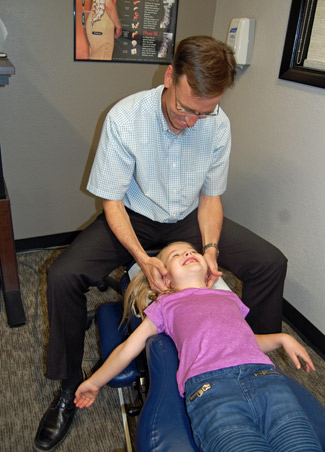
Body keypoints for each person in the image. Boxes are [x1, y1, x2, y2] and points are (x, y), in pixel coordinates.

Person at [34, 36, 287, 451]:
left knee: (270, 262)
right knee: (63, 276)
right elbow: (111, 201)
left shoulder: (217, 124)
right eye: (185, 108)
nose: (192, 121)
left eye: (203, 114)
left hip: (188, 218)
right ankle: (67, 385)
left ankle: (255, 369)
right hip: (133, 217)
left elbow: (210, 198)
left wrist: (209, 250)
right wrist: (141, 257)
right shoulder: (125, 118)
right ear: (170, 77)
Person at [74, 242, 321, 452]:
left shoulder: (228, 297)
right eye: (175, 255)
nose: (187, 254)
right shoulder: (165, 305)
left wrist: (281, 338)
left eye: (191, 251)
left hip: (265, 379)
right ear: (165, 278)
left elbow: (245, 339)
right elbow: (127, 348)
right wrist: (94, 382)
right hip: (212, 390)